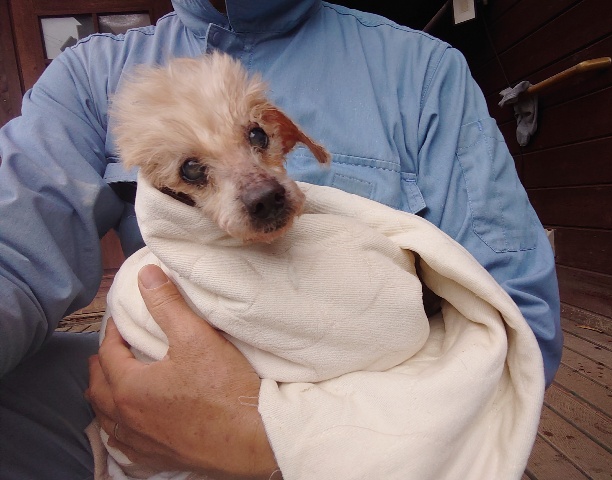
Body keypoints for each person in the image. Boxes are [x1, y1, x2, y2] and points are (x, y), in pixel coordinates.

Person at [0, 0, 562, 478]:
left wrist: (268, 439)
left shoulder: (423, 71)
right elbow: (12, 259)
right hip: (160, 373)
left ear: (287, 135)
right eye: (194, 171)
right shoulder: (91, 77)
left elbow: (516, 321)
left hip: (372, 396)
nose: (258, 190)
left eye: (256, 137)